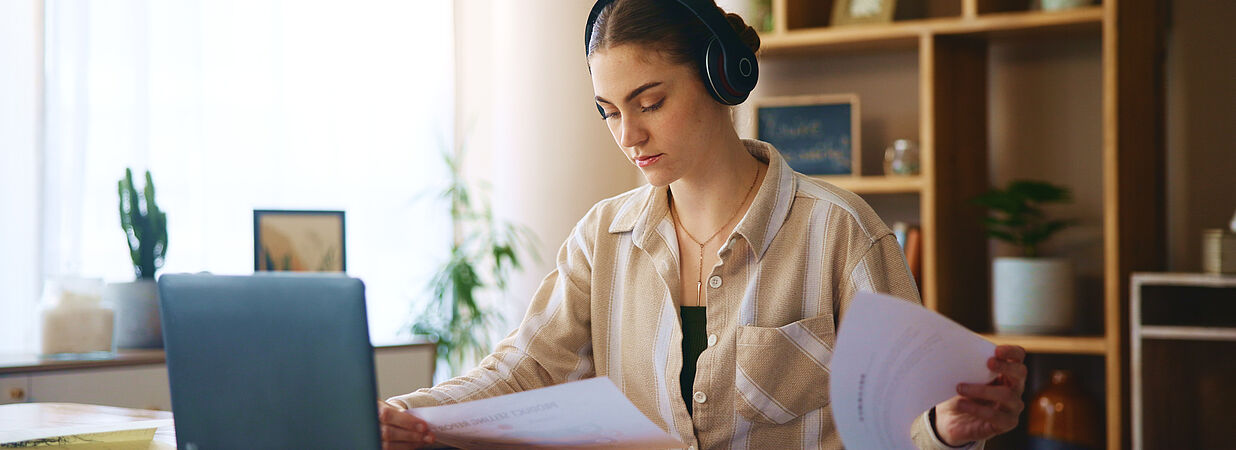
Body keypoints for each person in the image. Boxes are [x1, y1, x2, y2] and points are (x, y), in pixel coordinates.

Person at [377, 0, 1026, 448]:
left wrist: (946, 426)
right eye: (608, 111)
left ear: (721, 78)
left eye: (650, 101)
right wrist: (404, 415)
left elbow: (901, 425)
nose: (628, 135)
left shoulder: (841, 235)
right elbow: (521, 371)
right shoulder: (602, 240)